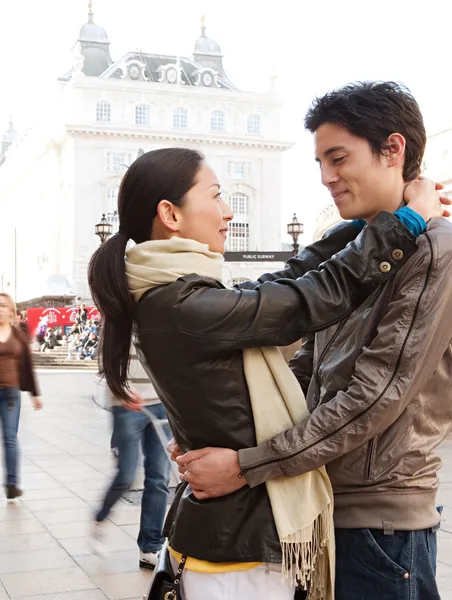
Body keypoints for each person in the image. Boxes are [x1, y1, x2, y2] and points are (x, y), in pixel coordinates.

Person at [87, 146, 446, 600]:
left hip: (232, 538)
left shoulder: (176, 293)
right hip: (238, 556)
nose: (227, 210)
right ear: (170, 214)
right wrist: (407, 221)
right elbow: (309, 298)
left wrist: (365, 224)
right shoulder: (181, 306)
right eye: (215, 196)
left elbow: (285, 280)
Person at [174, 82, 452, 600]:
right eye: (320, 162)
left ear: (393, 149)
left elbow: (375, 396)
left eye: (338, 158)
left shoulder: (435, 251)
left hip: (380, 524)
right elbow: (310, 368)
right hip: (322, 505)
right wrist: (222, 427)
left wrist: (244, 466)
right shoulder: (364, 249)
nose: (326, 177)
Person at [92, 345, 171, 570]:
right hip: (126, 404)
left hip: (161, 403)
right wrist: (121, 390)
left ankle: (150, 547)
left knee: (159, 477)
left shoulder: (161, 312)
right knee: (126, 475)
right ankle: (100, 517)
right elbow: (105, 358)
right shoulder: (118, 314)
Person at [0, 293, 43, 499]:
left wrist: (35, 394)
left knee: (10, 438)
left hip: (11, 395)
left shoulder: (18, 336)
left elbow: (28, 366)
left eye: (3, 306)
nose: (0, 309)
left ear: (10, 310)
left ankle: (12, 483)